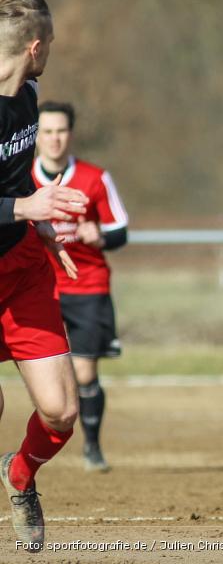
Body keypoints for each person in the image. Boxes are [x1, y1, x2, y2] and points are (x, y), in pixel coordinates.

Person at [0, 0, 90, 552]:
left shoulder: (29, 94)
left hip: (22, 268)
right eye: (50, 44)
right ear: (36, 47)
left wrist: (41, 218)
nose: (50, 53)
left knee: (61, 412)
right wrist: (22, 208)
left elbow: (16, 174)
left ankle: (20, 474)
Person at [33, 101, 128, 474]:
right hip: (38, 290)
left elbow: (120, 230)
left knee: (85, 373)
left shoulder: (94, 178)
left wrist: (99, 234)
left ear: (70, 134)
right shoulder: (23, 178)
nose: (54, 139)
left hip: (87, 287)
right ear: (36, 136)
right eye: (47, 131)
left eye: (61, 131)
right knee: (47, 376)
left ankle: (92, 446)